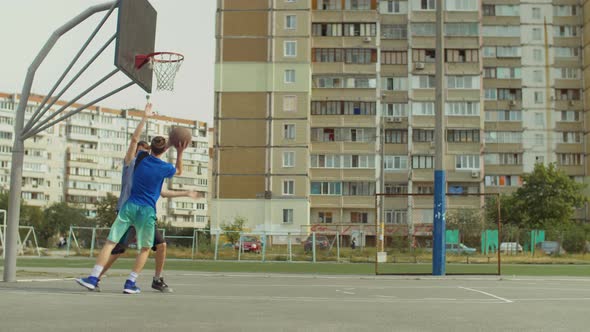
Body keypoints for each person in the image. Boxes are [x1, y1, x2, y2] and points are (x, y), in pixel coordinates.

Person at [76, 103, 187, 294]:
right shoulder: (146, 165)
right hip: (143, 211)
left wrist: (145, 118)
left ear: (146, 149)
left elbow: (139, 142)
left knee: (151, 244)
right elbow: (175, 168)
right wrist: (179, 149)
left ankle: (97, 277)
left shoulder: (140, 160)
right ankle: (125, 281)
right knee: (135, 249)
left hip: (130, 207)